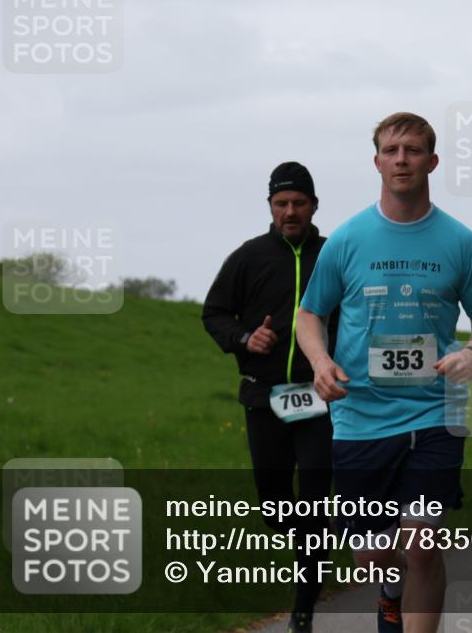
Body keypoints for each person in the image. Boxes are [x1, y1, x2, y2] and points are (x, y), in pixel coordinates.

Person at [296, 112, 472, 633]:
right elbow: (309, 314)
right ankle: (390, 596)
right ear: (377, 162)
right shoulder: (347, 239)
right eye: (391, 151)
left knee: (423, 544)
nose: (402, 160)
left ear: (432, 161)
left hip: (435, 409)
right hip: (361, 415)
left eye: (412, 150)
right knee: (372, 556)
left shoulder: (460, 241)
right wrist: (320, 362)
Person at [202, 161, 335, 633]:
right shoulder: (248, 257)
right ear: (271, 208)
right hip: (266, 399)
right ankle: (319, 547)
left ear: (314, 205)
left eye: (299, 202)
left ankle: (303, 607)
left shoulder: (333, 253)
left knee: (316, 501)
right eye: (282, 204)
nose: (291, 211)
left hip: (322, 400)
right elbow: (214, 313)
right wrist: (243, 340)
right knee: (276, 505)